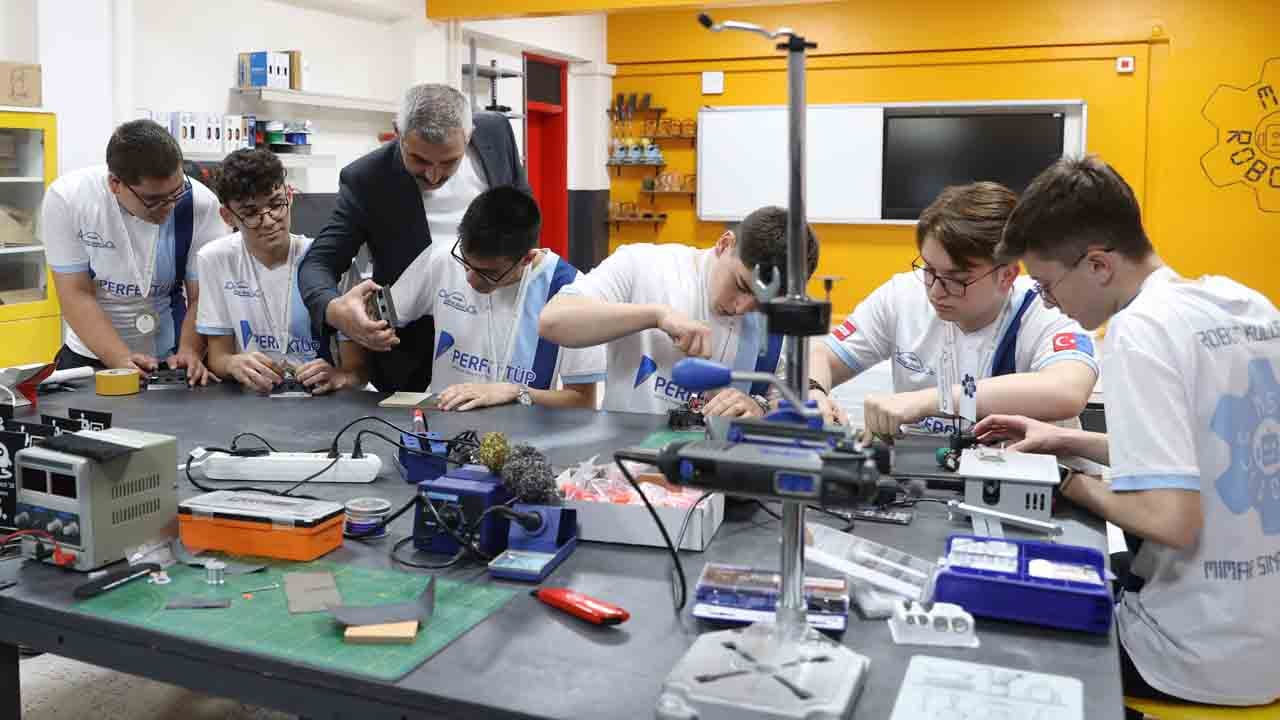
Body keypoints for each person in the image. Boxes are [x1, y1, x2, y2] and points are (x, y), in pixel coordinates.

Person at [974, 156, 1280, 707]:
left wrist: (1064, 479)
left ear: (1097, 265)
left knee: (1001, 644)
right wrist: (1064, 438)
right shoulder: (1242, 304)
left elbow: (1171, 520)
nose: (1051, 304)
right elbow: (1211, 454)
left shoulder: (1141, 329)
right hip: (1263, 638)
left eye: (1046, 286)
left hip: (1195, 655)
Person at [808, 182, 1098, 435]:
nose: (935, 291)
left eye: (956, 280)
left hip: (1039, 482)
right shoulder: (901, 295)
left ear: (1007, 274)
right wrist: (814, 392)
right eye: (929, 269)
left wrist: (927, 401)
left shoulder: (1047, 307)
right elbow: (824, 355)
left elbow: (1068, 391)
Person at [298, 83, 529, 393]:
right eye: (420, 160)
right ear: (398, 134)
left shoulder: (496, 133)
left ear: (469, 134)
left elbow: (520, 209)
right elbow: (319, 262)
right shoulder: (367, 179)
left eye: (449, 162)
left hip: (504, 331)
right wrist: (334, 309)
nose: (434, 176)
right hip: (414, 351)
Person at [539, 206, 815, 416]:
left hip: (720, 473)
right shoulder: (643, 265)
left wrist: (759, 408)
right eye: (741, 285)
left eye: (761, 303)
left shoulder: (778, 317)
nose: (741, 308)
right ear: (724, 245)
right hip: (629, 471)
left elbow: (792, 400)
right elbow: (553, 321)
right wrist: (656, 316)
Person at [358, 186, 603, 410]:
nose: (471, 280)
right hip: (443, 429)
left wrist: (515, 392)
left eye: (489, 274)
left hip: (524, 443)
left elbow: (583, 401)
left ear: (527, 259)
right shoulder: (443, 258)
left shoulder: (571, 291)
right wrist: (352, 367)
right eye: (466, 263)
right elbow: (368, 314)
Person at [41, 119, 226, 383]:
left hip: (173, 354)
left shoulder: (201, 203)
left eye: (176, 193)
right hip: (91, 354)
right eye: (153, 200)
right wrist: (119, 359)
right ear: (115, 183)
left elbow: (203, 296)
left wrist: (191, 349)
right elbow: (76, 294)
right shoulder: (68, 199)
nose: (169, 206)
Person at [195, 149, 362, 395]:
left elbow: (358, 370)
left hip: (321, 402)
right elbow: (218, 358)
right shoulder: (215, 259)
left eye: (276, 204)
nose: (270, 220)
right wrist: (233, 363)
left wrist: (338, 376)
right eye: (251, 213)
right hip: (253, 404)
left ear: (289, 196)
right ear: (227, 216)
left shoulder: (332, 261)